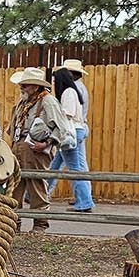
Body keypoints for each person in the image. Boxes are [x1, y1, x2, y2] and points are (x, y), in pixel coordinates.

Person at [8, 67, 71, 232]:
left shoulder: (48, 101)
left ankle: (40, 226)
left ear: (36, 86)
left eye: (25, 85)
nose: (21, 87)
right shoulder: (23, 101)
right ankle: (14, 223)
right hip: (19, 146)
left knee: (37, 187)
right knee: (15, 187)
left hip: (36, 150)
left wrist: (46, 144)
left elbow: (62, 128)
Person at [47, 66, 94, 212]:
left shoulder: (68, 92)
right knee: (55, 164)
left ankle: (84, 201)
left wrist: (55, 114)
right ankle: (41, 192)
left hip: (70, 132)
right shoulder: (75, 90)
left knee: (75, 168)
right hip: (75, 131)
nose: (54, 82)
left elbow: (68, 113)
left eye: (55, 80)